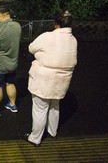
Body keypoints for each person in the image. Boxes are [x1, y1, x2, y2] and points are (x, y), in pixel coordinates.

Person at [24, 10, 77, 146]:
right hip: (62, 81)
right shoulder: (73, 40)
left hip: (43, 80)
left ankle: (35, 138)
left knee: (40, 109)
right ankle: (52, 131)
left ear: (56, 24)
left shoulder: (47, 36)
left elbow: (31, 48)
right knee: (55, 106)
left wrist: (41, 56)